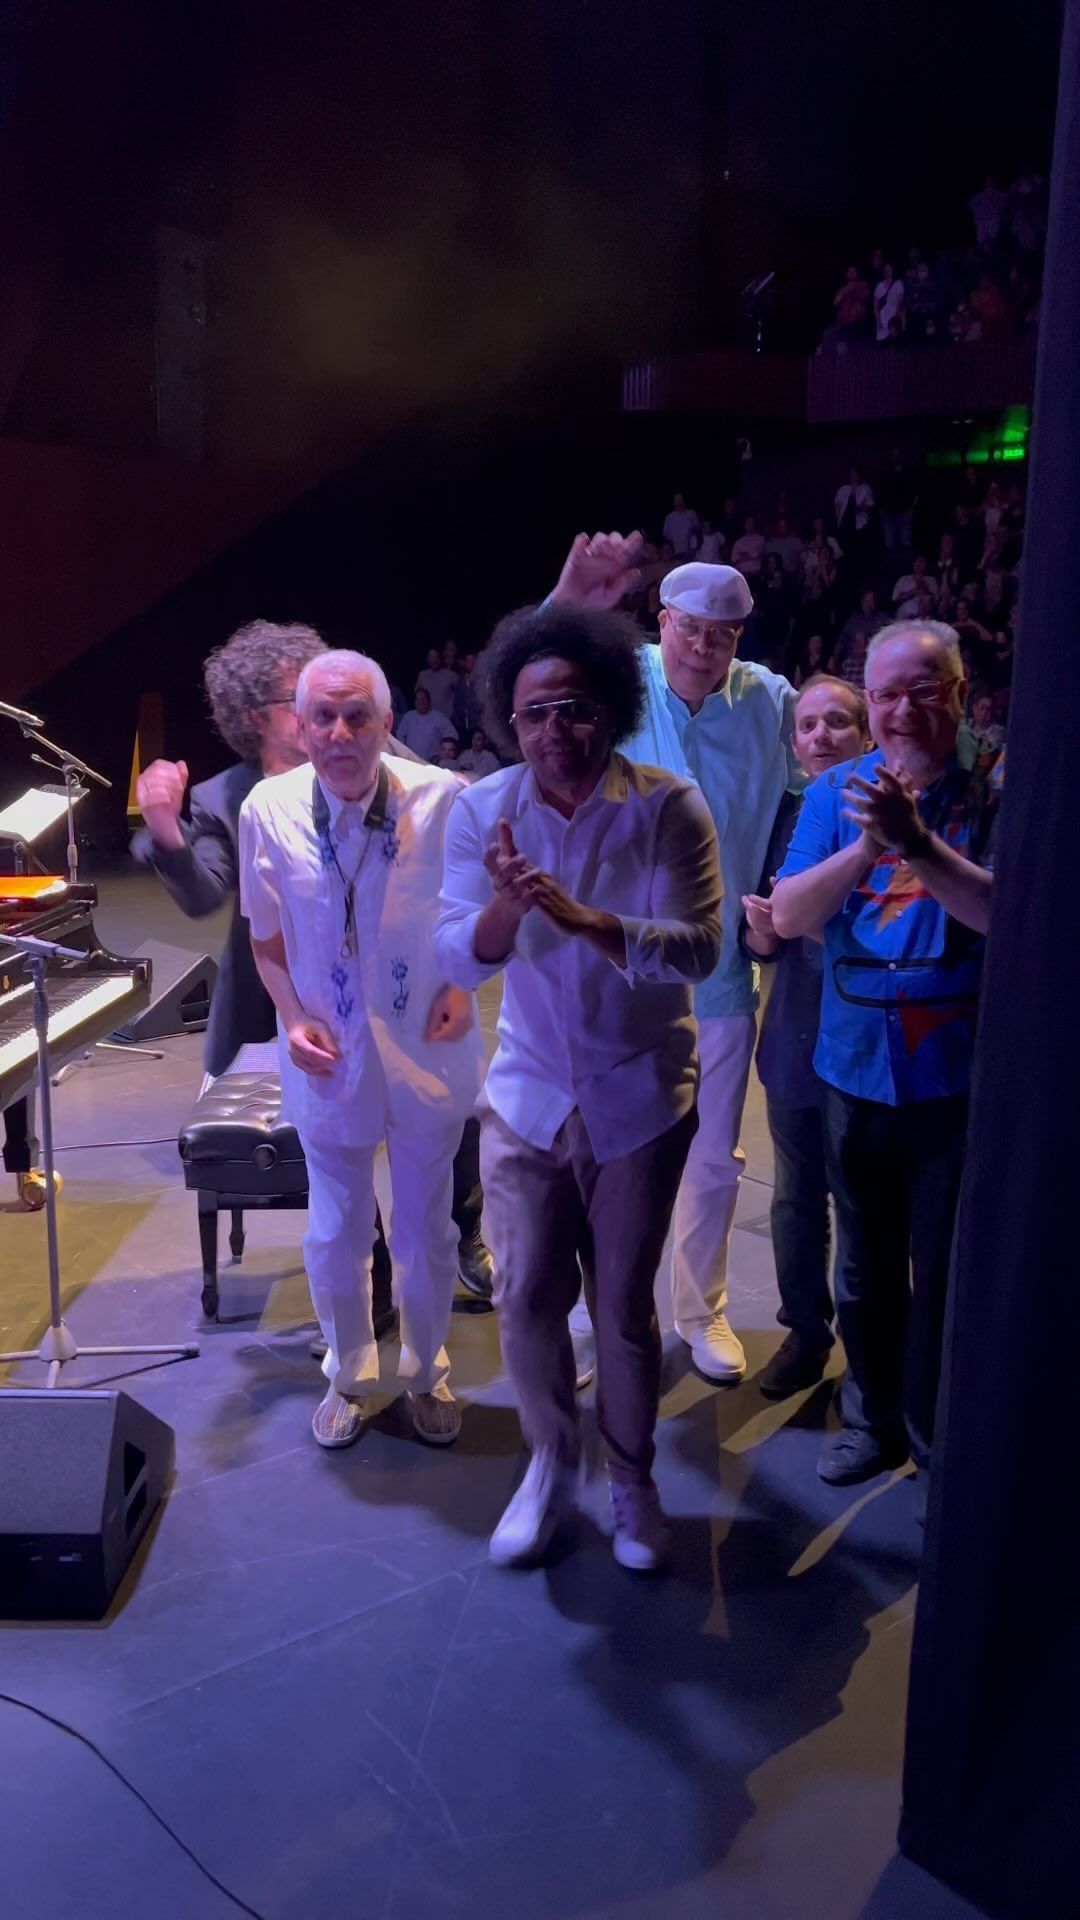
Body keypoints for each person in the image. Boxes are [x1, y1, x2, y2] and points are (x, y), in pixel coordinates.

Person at [434, 602, 721, 1570]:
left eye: (574, 708)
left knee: (624, 1309)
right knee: (522, 1297)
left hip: (640, 1093)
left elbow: (700, 949)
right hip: (526, 1094)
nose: (554, 730)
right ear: (507, 721)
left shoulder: (668, 806)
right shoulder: (482, 810)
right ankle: (551, 1463)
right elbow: (457, 955)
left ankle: (633, 1485)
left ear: (612, 709)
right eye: (533, 714)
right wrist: (507, 910)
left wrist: (584, 918)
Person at [132, 620, 494, 1329]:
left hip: (400, 981)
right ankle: (369, 1292)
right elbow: (206, 895)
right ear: (259, 717)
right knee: (340, 1161)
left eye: (346, 708)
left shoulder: (370, 747)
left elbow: (446, 806)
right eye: (302, 701)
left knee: (450, 1109)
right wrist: (166, 828)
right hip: (290, 999)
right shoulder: (230, 798)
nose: (331, 722)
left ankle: (465, 1238)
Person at [548, 535, 799, 1383]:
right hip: (614, 966)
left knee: (714, 1152)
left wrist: (785, 902)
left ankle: (702, 1310)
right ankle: (595, 1314)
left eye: (722, 634)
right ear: (663, 622)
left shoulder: (767, 699)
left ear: (740, 639)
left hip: (720, 966)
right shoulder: (621, 677)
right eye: (691, 628)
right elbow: (539, 671)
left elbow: (818, 779)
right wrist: (570, 595)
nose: (704, 646)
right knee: (601, 1148)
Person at [239, 651, 487, 1450]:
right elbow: (265, 938)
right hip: (329, 1055)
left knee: (427, 1232)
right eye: (324, 717)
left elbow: (482, 918)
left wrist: (462, 990)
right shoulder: (268, 809)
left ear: (386, 725)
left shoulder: (445, 800)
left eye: (357, 717)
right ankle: (348, 1374)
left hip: (426, 1049)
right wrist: (289, 1015)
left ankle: (425, 1371)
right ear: (301, 726)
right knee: (335, 1232)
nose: (340, 734)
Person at [771, 620, 999, 1487]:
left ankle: (938, 1435)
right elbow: (789, 913)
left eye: (922, 691)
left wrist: (916, 842)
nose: (902, 711)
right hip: (855, 1066)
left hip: (957, 1074)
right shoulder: (835, 793)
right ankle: (872, 1418)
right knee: (864, 1269)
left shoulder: (999, 784)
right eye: (887, 694)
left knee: (944, 1271)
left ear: (961, 695)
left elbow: (1005, 914)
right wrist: (869, 844)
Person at [740, 675, 869, 1396]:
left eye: (838, 723)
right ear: (794, 744)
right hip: (796, 1034)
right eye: (809, 725)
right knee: (796, 1199)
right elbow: (763, 941)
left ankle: (871, 1355)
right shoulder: (785, 816)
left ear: (866, 735)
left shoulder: (893, 817)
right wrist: (763, 931)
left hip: (871, 1045)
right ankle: (805, 1334)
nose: (821, 736)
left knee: (867, 1206)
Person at [832, 590, 886, 682]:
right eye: (867, 601)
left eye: (871, 601)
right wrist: (834, 658)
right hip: (851, 660)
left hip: (871, 660)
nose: (869, 604)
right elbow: (842, 641)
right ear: (862, 602)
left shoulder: (881, 619)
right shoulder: (853, 620)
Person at [877, 449, 919, 551]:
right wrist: (881, 510)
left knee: (906, 543)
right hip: (888, 514)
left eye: (898, 455)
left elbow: (916, 494)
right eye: (894, 455)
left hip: (904, 513)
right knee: (889, 544)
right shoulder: (886, 472)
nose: (896, 457)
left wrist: (911, 509)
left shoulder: (909, 473)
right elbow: (880, 492)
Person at [399, 686, 454, 760]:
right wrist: (403, 753)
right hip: (411, 759)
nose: (420, 702)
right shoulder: (408, 716)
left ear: (429, 701)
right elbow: (400, 734)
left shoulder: (439, 717)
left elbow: (452, 735)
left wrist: (442, 753)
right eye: (417, 699)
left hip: (433, 760)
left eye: (423, 699)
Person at [415, 646, 459, 718]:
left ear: (440, 658)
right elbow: (418, 698)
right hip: (427, 719)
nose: (434, 660)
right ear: (427, 659)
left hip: (446, 719)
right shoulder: (422, 675)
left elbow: (461, 696)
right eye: (431, 657)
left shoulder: (451, 675)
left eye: (436, 657)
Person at [832, 266, 872, 344]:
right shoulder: (843, 287)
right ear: (846, 274)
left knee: (857, 344)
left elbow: (866, 299)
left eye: (853, 271)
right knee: (843, 343)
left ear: (857, 273)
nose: (851, 273)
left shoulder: (863, 284)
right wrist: (844, 292)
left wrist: (855, 289)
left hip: (858, 320)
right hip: (844, 321)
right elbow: (835, 303)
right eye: (849, 271)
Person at [834, 467, 874, 541]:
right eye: (851, 473)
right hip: (846, 520)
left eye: (855, 473)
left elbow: (870, 504)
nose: (853, 475)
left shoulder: (865, 488)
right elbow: (837, 504)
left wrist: (862, 508)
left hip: (859, 520)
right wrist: (838, 518)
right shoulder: (843, 489)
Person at [969, 174, 1007, 251]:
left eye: (990, 180)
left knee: (992, 241)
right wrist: (976, 218)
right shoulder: (979, 195)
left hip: (994, 220)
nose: (989, 182)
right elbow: (972, 205)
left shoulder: (999, 194)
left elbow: (1004, 205)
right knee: (982, 241)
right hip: (982, 221)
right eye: (987, 180)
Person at [663, 491, 701, 559]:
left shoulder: (691, 514)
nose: (679, 502)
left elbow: (697, 531)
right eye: (677, 500)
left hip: (690, 552)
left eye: (680, 500)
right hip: (675, 553)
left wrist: (693, 548)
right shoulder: (669, 517)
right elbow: (666, 536)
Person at [874, 264, 904, 344]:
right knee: (881, 343)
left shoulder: (898, 283)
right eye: (885, 269)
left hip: (895, 314)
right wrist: (878, 319)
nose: (887, 271)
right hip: (882, 316)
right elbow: (875, 306)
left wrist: (896, 318)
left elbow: (900, 302)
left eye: (889, 269)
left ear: (893, 271)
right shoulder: (879, 286)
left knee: (894, 341)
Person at [730, 514, 766, 579]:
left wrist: (745, 555)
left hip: (756, 574)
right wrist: (749, 555)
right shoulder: (739, 542)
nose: (749, 524)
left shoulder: (760, 539)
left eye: (751, 522)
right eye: (747, 522)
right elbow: (734, 559)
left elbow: (758, 555)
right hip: (742, 575)